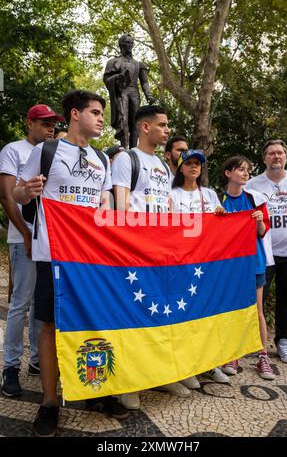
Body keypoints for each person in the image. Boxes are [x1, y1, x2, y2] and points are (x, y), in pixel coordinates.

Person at [13, 89, 128, 437]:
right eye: (95, 112)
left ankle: (97, 389)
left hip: (91, 257)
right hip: (53, 254)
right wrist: (26, 192)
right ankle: (49, 402)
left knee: (95, 321)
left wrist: (108, 208)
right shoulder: (46, 151)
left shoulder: (102, 161)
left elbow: (105, 200)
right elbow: (18, 193)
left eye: (102, 114)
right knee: (49, 326)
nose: (100, 119)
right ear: (75, 114)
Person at [112, 105, 192, 409]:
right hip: (136, 254)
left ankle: (160, 373)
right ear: (145, 128)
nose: (167, 130)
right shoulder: (125, 160)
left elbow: (169, 208)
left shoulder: (161, 164)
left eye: (167, 124)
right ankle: (129, 381)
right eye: (162, 124)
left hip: (162, 254)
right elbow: (120, 208)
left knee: (161, 314)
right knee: (134, 315)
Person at [0, 104, 63, 398]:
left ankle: (38, 361)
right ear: (29, 123)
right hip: (22, 237)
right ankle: (10, 367)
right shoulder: (14, 150)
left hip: (48, 244)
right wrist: (25, 233)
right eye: (44, 123)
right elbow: (8, 195)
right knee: (20, 303)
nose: (50, 128)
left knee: (42, 305)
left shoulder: (55, 151)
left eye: (53, 124)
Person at [171, 149, 231, 385]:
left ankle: (209, 364)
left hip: (205, 265)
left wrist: (221, 215)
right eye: (189, 163)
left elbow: (220, 229)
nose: (194, 167)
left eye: (198, 164)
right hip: (179, 264)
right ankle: (185, 368)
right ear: (180, 167)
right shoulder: (171, 194)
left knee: (206, 315)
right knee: (184, 315)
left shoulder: (209, 194)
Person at [220, 156, 275, 380]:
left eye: (247, 170)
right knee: (231, 309)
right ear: (228, 173)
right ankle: (233, 353)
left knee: (257, 310)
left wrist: (260, 220)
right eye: (240, 169)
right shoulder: (218, 199)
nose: (245, 173)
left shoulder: (255, 199)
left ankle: (263, 355)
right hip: (228, 266)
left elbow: (262, 232)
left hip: (254, 262)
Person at [246, 140, 287, 364]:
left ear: (285, 156)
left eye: (280, 153)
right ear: (264, 158)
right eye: (271, 153)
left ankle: (283, 341)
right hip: (263, 254)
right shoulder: (253, 184)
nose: (276, 156)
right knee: (256, 299)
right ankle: (251, 342)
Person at [103, 34, 155, 149]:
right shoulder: (114, 62)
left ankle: (133, 149)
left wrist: (149, 95)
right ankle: (124, 148)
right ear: (121, 44)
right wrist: (117, 78)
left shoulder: (139, 64)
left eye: (131, 43)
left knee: (135, 123)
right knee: (123, 120)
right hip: (122, 92)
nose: (129, 45)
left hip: (134, 93)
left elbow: (144, 82)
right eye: (127, 42)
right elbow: (106, 79)